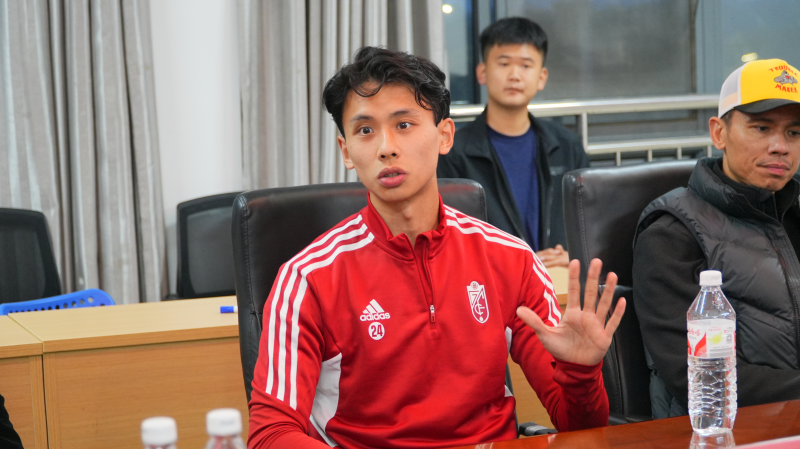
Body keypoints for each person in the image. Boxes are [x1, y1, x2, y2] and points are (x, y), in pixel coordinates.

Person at [247, 47, 625, 448]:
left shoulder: (512, 260)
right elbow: (271, 434)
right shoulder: (308, 278)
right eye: (365, 130)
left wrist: (581, 373)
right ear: (346, 151)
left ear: (444, 136)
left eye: (404, 124)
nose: (386, 147)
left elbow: (578, 425)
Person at [633, 58, 800, 418]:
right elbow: (693, 373)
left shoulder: (794, 213)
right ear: (719, 133)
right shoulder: (672, 231)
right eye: (761, 128)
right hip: (722, 429)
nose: (780, 146)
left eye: (794, 133)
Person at [437, 17, 589, 268]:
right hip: (491, 281)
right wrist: (517, 262)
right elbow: (448, 236)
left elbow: (589, 221)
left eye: (526, 65)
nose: (515, 75)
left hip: (559, 280)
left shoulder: (566, 145)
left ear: (542, 77)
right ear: (482, 72)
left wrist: (576, 255)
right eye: (504, 63)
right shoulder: (453, 152)